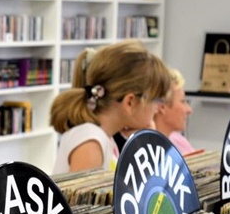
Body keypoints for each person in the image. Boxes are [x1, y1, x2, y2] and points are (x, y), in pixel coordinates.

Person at [51, 40, 171, 174]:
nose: (158, 108)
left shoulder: (105, 137)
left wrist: (145, 140)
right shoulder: (91, 142)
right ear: (129, 102)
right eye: (156, 100)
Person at [153, 68, 196, 155]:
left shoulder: (179, 141)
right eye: (183, 101)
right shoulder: (147, 152)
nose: (189, 110)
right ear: (162, 106)